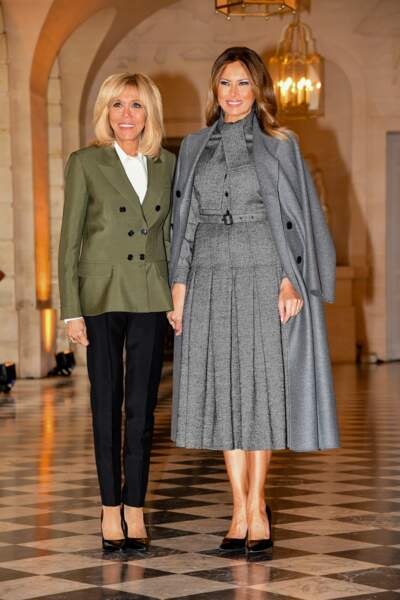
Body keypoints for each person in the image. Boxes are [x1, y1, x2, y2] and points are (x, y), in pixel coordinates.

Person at [167, 47, 339, 554]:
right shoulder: (195, 146)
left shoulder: (280, 144)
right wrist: (179, 290)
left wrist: (291, 280)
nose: (234, 94)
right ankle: (237, 508)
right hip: (209, 275)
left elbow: (298, 218)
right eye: (225, 84)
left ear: (259, 89)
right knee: (223, 393)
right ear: (214, 89)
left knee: (260, 392)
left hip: (264, 270)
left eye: (243, 84)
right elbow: (185, 223)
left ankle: (258, 507)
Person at [58, 72, 175, 551]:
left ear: (150, 113)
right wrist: (70, 309)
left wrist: (175, 298)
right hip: (100, 296)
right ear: (106, 111)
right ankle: (109, 508)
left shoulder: (167, 164)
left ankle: (135, 506)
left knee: (142, 409)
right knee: (105, 403)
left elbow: (168, 236)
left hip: (149, 295)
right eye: (118, 105)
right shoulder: (85, 162)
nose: (127, 115)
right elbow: (70, 240)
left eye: (137, 105)